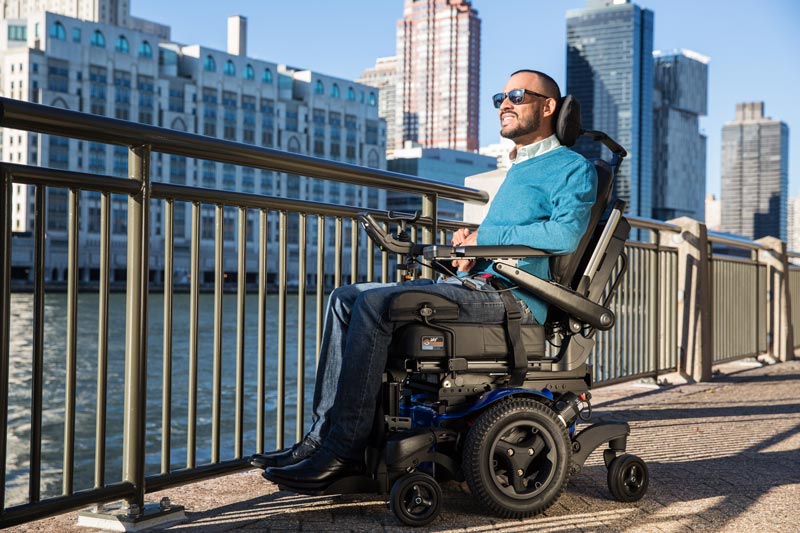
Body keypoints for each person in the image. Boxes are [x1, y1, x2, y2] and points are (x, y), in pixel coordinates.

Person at [256, 69, 598, 491]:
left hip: (515, 300)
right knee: (345, 297)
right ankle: (319, 438)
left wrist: (485, 237)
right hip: (480, 285)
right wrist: (471, 254)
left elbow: (563, 235)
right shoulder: (519, 168)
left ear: (548, 107)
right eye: (499, 97)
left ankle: (343, 451)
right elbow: (511, 241)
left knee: (377, 305)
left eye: (516, 95)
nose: (504, 104)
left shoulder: (572, 168)